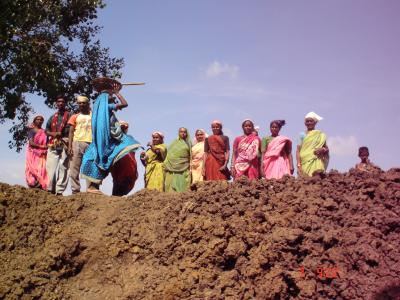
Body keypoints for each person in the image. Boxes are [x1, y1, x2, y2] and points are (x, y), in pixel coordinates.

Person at [81, 83, 142, 194]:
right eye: (109, 96)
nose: (112, 97)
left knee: (104, 159)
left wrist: (115, 93)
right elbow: (125, 104)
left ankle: (94, 187)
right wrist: (116, 92)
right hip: (106, 140)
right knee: (96, 159)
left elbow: (124, 105)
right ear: (104, 99)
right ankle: (92, 188)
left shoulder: (103, 109)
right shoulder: (105, 107)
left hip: (109, 139)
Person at [45, 95, 72, 195]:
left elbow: (73, 130)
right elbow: (46, 130)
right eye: (58, 102)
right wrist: (54, 134)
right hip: (53, 143)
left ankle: (59, 191)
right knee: (50, 167)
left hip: (65, 142)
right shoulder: (52, 117)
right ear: (56, 104)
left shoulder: (70, 115)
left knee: (64, 166)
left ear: (65, 103)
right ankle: (50, 189)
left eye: (62, 102)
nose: (60, 103)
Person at [68, 95, 92, 194]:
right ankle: (75, 190)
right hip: (77, 142)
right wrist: (70, 146)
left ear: (88, 104)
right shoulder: (75, 116)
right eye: (80, 103)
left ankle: (91, 189)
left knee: (90, 167)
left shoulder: (93, 116)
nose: (81, 105)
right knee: (74, 167)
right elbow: (71, 132)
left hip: (91, 143)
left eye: (84, 103)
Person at [110, 121, 139, 196]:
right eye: (121, 127)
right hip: (118, 163)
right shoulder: (113, 138)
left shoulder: (129, 138)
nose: (123, 129)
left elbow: (134, 148)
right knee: (118, 181)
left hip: (129, 163)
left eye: (125, 128)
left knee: (128, 179)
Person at [296, 112, 329, 176]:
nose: (309, 123)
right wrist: (298, 164)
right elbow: (298, 151)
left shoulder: (320, 134)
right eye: (307, 121)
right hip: (304, 162)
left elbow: (326, 149)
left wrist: (322, 150)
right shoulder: (301, 135)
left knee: (318, 179)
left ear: (315, 122)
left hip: (317, 160)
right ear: (305, 123)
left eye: (311, 121)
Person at [163, 127, 191, 192]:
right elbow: (169, 154)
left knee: (183, 185)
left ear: (187, 134)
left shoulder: (189, 143)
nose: (183, 133)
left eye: (184, 132)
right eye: (181, 132)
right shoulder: (174, 143)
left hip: (184, 167)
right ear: (178, 133)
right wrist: (167, 164)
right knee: (171, 187)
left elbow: (191, 155)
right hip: (172, 168)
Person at [25, 115, 48, 189]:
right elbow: (31, 143)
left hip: (42, 153)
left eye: (41, 120)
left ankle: (41, 184)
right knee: (32, 169)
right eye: (37, 119)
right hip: (33, 153)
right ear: (34, 121)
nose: (39, 121)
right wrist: (41, 146)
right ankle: (32, 183)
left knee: (42, 169)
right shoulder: (32, 131)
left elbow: (46, 143)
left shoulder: (44, 131)